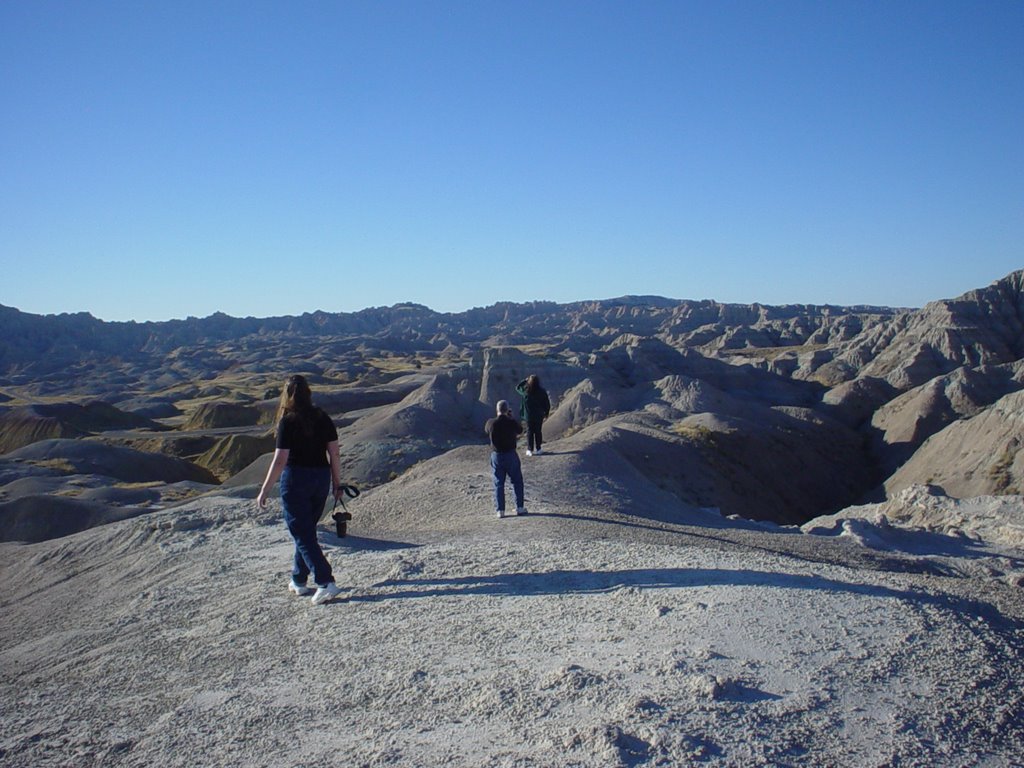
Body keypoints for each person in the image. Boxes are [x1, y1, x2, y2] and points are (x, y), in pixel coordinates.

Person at [257, 374, 346, 605]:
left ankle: (326, 582)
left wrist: (265, 489)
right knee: (306, 530)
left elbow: (279, 460)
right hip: (320, 479)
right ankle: (298, 579)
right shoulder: (323, 417)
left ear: (286, 396)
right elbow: (334, 453)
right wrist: (337, 484)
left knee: (301, 532)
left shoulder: (288, 421)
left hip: (296, 479)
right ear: (309, 393)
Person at [484, 400, 527, 518]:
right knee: (517, 481)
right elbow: (520, 430)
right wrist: (511, 418)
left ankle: (500, 511)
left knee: (498, 483)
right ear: (507, 410)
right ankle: (519, 507)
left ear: (497, 410)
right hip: (510, 454)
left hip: (496, 455)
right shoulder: (511, 422)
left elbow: (486, 431)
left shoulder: (490, 423)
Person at [516, 374, 551, 456]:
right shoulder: (542, 392)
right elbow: (547, 403)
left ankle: (529, 450)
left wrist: (525, 380)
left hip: (528, 416)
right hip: (539, 415)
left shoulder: (525, 392)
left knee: (530, 431)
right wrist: (546, 413)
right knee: (538, 431)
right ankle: (538, 449)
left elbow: (517, 387)